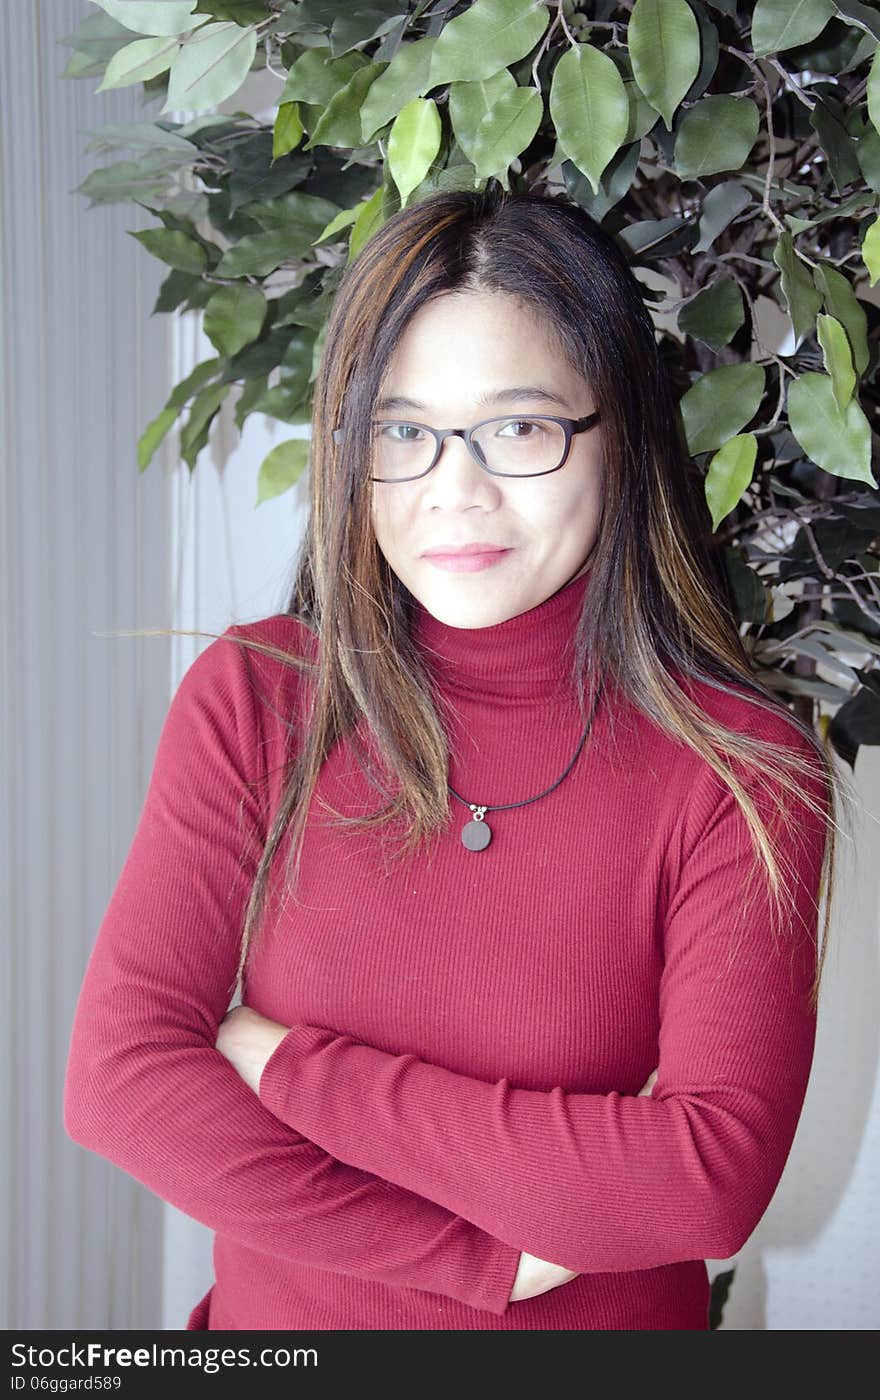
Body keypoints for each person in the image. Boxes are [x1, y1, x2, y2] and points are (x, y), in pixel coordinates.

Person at [64, 187, 845, 1332]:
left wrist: (285, 1066)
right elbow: (122, 1086)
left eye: (519, 426)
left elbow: (705, 1178)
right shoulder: (262, 697)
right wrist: (470, 1254)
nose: (453, 488)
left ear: (618, 433)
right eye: (400, 428)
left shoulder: (741, 769)